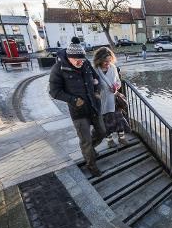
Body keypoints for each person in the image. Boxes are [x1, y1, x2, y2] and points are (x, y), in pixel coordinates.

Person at [49, 37, 106, 177]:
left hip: (94, 106)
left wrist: (97, 91)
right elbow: (54, 91)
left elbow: (96, 79)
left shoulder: (85, 63)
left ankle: (90, 150)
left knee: (102, 132)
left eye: (83, 60)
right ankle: (91, 165)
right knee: (85, 140)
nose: (81, 62)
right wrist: (73, 100)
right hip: (78, 112)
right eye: (77, 60)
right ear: (69, 57)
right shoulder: (59, 68)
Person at [93, 47, 130, 148]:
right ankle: (109, 141)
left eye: (109, 60)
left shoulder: (113, 68)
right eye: (105, 61)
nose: (107, 63)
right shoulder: (95, 71)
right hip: (102, 101)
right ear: (99, 59)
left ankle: (122, 138)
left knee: (119, 120)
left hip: (113, 100)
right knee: (106, 123)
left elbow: (118, 81)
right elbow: (92, 86)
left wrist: (117, 86)